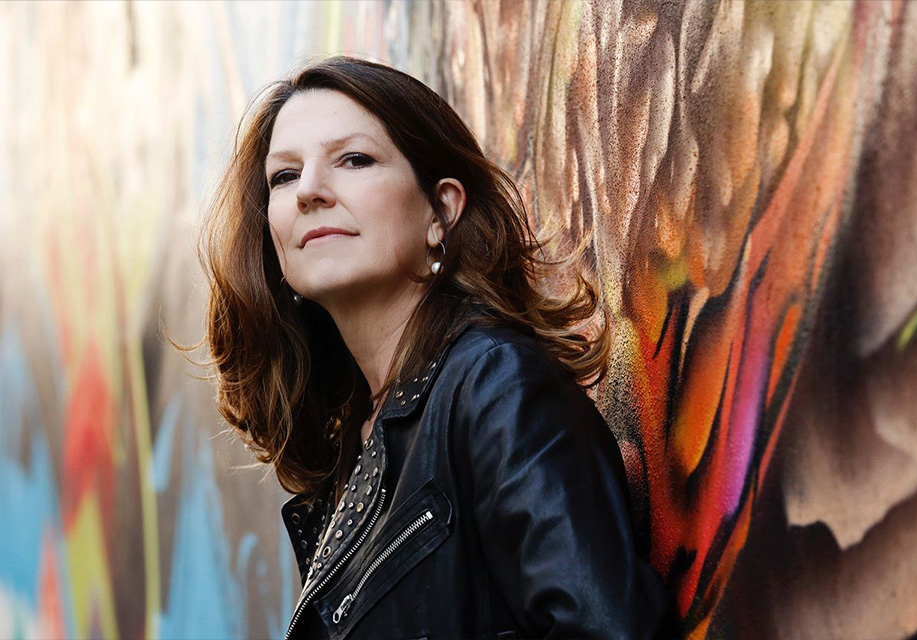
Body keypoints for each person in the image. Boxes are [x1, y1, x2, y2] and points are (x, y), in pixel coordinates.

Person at [193, 54, 668, 639]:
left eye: (354, 160)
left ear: (441, 209)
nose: (309, 191)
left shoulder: (496, 386)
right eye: (284, 176)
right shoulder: (357, 441)